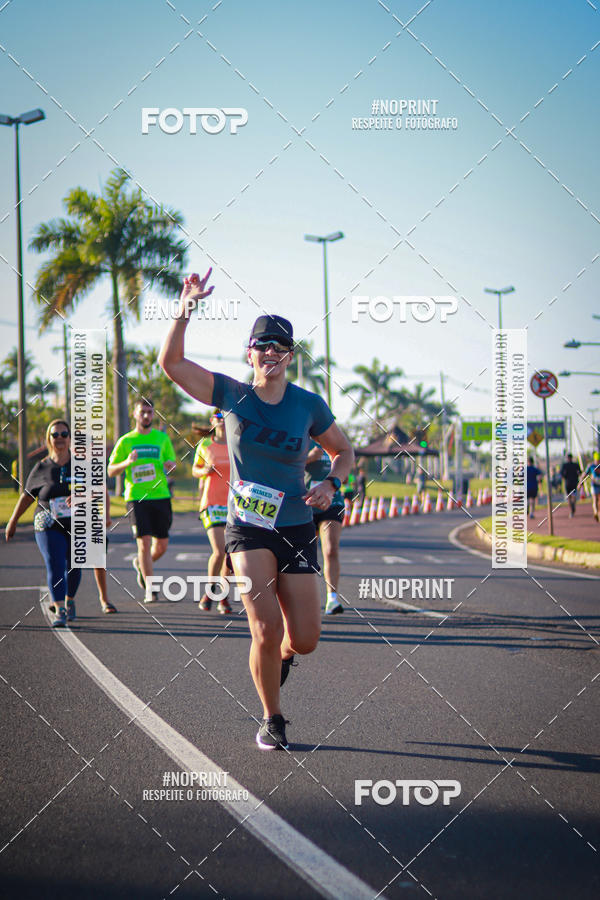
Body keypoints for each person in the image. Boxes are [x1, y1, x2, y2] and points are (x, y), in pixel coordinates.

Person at [159, 270, 354, 751]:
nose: (270, 353)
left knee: (304, 638)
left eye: (279, 347)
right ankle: (273, 717)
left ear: (291, 356)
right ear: (249, 353)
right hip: (246, 527)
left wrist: (331, 483)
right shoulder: (231, 395)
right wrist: (187, 305)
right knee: (264, 627)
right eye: (261, 345)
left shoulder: (308, 405)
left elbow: (344, 452)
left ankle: (285, 656)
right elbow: (172, 362)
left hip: (296, 526)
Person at [5, 420, 82, 627]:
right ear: (49, 439)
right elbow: (27, 496)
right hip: (47, 523)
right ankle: (60, 609)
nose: (59, 438)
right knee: (55, 562)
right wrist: (13, 521)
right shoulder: (41, 467)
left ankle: (70, 600)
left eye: (64, 434)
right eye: (55, 435)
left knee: (75, 565)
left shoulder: (80, 465)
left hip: (76, 524)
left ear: (69, 438)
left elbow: (97, 491)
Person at [107, 398, 176, 603]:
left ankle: (141, 564)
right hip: (137, 498)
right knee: (144, 543)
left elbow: (170, 464)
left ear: (153, 415)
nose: (146, 415)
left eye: (149, 412)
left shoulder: (161, 439)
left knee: (161, 545)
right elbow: (111, 470)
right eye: (142, 412)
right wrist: (127, 462)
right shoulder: (126, 441)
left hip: (161, 496)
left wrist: (171, 465)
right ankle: (151, 589)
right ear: (135, 414)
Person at [192, 409, 232, 614]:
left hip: (233, 504)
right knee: (220, 550)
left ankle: (222, 596)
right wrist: (204, 471)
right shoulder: (205, 445)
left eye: (226, 418)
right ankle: (210, 590)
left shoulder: (236, 444)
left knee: (232, 554)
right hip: (212, 503)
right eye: (219, 419)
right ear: (212, 421)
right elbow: (195, 470)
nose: (222, 422)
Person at [305, 440, 345, 615]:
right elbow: (283, 466)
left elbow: (347, 461)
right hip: (306, 502)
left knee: (330, 549)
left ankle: (332, 599)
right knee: (304, 554)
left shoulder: (336, 440)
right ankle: (304, 599)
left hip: (332, 502)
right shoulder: (299, 435)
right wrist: (309, 458)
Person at [580, 451, 600, 522]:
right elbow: (584, 474)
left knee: (599, 501)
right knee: (595, 500)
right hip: (594, 485)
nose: (598, 461)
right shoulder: (591, 466)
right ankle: (595, 512)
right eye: (597, 460)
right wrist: (580, 482)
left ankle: (598, 513)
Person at [560, 453, 581, 518]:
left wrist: (564, 476)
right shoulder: (575, 465)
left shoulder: (565, 465)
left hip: (568, 483)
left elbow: (561, 474)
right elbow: (580, 472)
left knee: (569, 496)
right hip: (574, 482)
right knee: (573, 495)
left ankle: (571, 509)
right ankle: (573, 506)